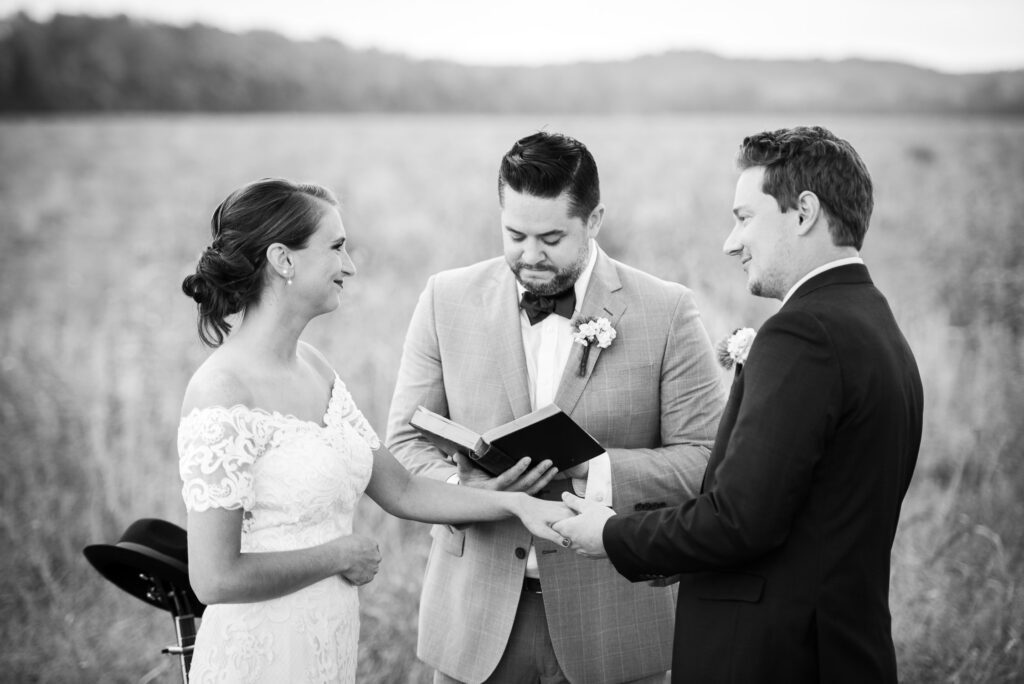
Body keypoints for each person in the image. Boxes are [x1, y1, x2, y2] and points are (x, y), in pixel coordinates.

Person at [555, 126, 924, 683]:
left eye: (745, 218)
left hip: (775, 658)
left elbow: (740, 521)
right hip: (843, 649)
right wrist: (675, 552)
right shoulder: (876, 323)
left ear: (804, 213)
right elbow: (794, 514)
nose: (732, 243)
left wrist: (611, 534)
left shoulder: (804, 334)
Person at [176, 178, 573, 684]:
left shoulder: (314, 366)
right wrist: (339, 554)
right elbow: (214, 578)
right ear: (283, 259)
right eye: (336, 247)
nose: (350, 266)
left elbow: (401, 488)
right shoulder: (221, 389)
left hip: (328, 643)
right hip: (260, 654)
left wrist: (514, 503)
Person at [385, 132, 726, 684]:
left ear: (594, 221)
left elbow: (706, 458)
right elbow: (405, 443)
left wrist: (595, 470)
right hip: (475, 622)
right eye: (515, 235)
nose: (529, 255)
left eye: (551, 238)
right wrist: (465, 491)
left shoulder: (667, 311)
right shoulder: (445, 298)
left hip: (615, 621)